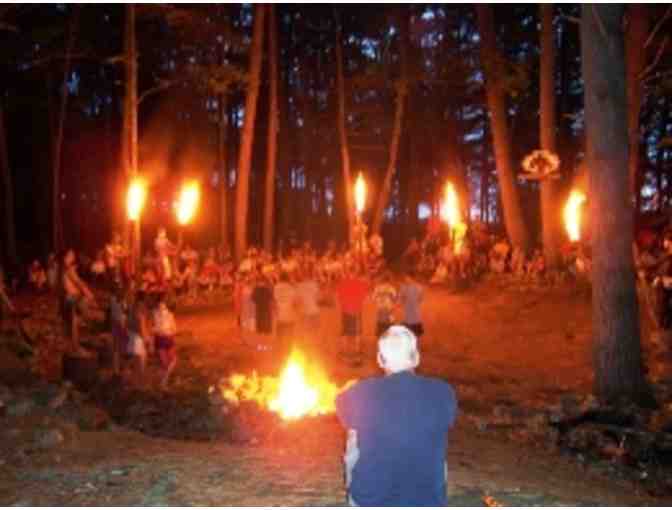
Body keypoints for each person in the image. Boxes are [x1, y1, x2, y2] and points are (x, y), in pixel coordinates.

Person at [335, 325, 458, 507]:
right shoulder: (443, 391)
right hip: (427, 501)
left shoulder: (363, 391)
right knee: (432, 434)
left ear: (380, 359)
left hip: (372, 500)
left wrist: (348, 390)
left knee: (354, 429)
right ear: (416, 357)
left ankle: (363, 488)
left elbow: (341, 410)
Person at [61, 250, 96, 350]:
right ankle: (75, 345)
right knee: (76, 319)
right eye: (71, 254)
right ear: (66, 257)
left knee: (73, 321)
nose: (73, 256)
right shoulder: (68, 269)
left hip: (69, 298)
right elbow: (78, 282)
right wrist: (88, 293)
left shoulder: (65, 268)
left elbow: (77, 282)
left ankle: (74, 344)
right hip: (71, 298)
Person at [336, 269, 369, 363]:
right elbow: (365, 298)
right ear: (356, 274)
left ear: (348, 274)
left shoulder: (342, 284)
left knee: (345, 332)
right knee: (357, 332)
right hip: (356, 311)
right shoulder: (360, 283)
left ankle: (343, 351)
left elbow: (338, 297)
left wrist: (344, 304)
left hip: (345, 311)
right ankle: (357, 351)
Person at [153, 299, 177, 388]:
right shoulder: (167, 315)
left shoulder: (158, 313)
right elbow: (174, 328)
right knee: (169, 362)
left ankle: (162, 379)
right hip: (164, 338)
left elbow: (174, 328)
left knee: (169, 362)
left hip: (163, 338)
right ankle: (163, 381)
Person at [273, 272, 298, 355]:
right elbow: (295, 302)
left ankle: (279, 351)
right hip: (289, 314)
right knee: (289, 335)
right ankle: (289, 350)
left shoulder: (276, 287)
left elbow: (274, 301)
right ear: (287, 279)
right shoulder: (291, 288)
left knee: (280, 335)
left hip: (280, 314)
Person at [398, 270, 424, 341]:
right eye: (405, 278)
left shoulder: (418, 287)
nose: (406, 279)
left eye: (407, 277)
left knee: (415, 328)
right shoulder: (404, 287)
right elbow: (400, 298)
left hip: (414, 311)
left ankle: (414, 342)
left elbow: (420, 298)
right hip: (408, 311)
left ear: (412, 278)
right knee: (408, 326)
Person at [372, 273, 397, 337]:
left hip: (380, 308)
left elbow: (373, 298)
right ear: (388, 280)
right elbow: (394, 298)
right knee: (390, 322)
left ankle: (381, 337)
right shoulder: (391, 288)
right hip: (388, 308)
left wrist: (378, 301)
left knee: (381, 323)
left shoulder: (377, 288)